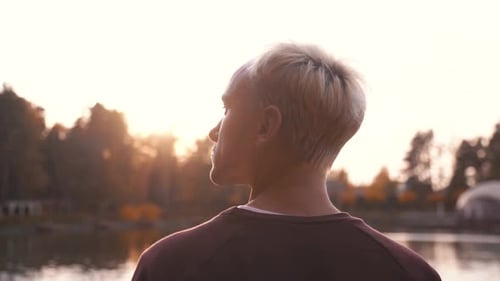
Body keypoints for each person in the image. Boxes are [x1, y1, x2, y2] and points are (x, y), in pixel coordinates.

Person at [131, 43, 441, 281]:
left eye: (226, 109)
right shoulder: (409, 272)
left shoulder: (172, 265)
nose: (213, 131)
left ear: (266, 126)